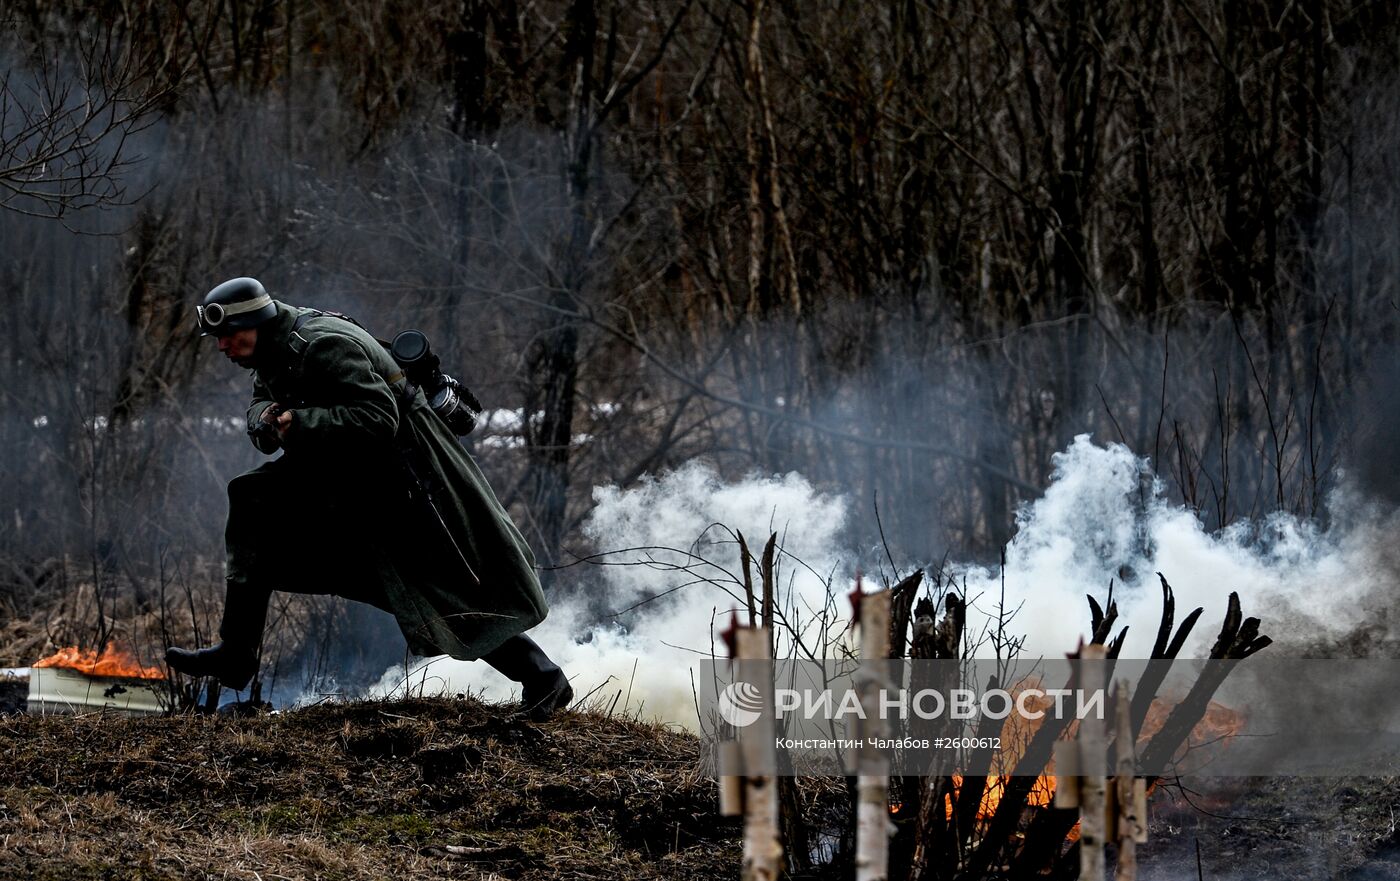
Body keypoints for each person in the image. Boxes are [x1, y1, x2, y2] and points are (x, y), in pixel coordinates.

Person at [165, 277, 574, 720]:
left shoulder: (319, 346)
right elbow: (263, 398)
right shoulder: (272, 349)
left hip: (407, 476)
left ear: (256, 322)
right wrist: (264, 417)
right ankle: (237, 652)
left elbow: (379, 418)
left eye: (228, 335)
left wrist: (299, 424)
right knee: (251, 502)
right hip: (353, 473)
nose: (222, 345)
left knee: (431, 591)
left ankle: (544, 678)